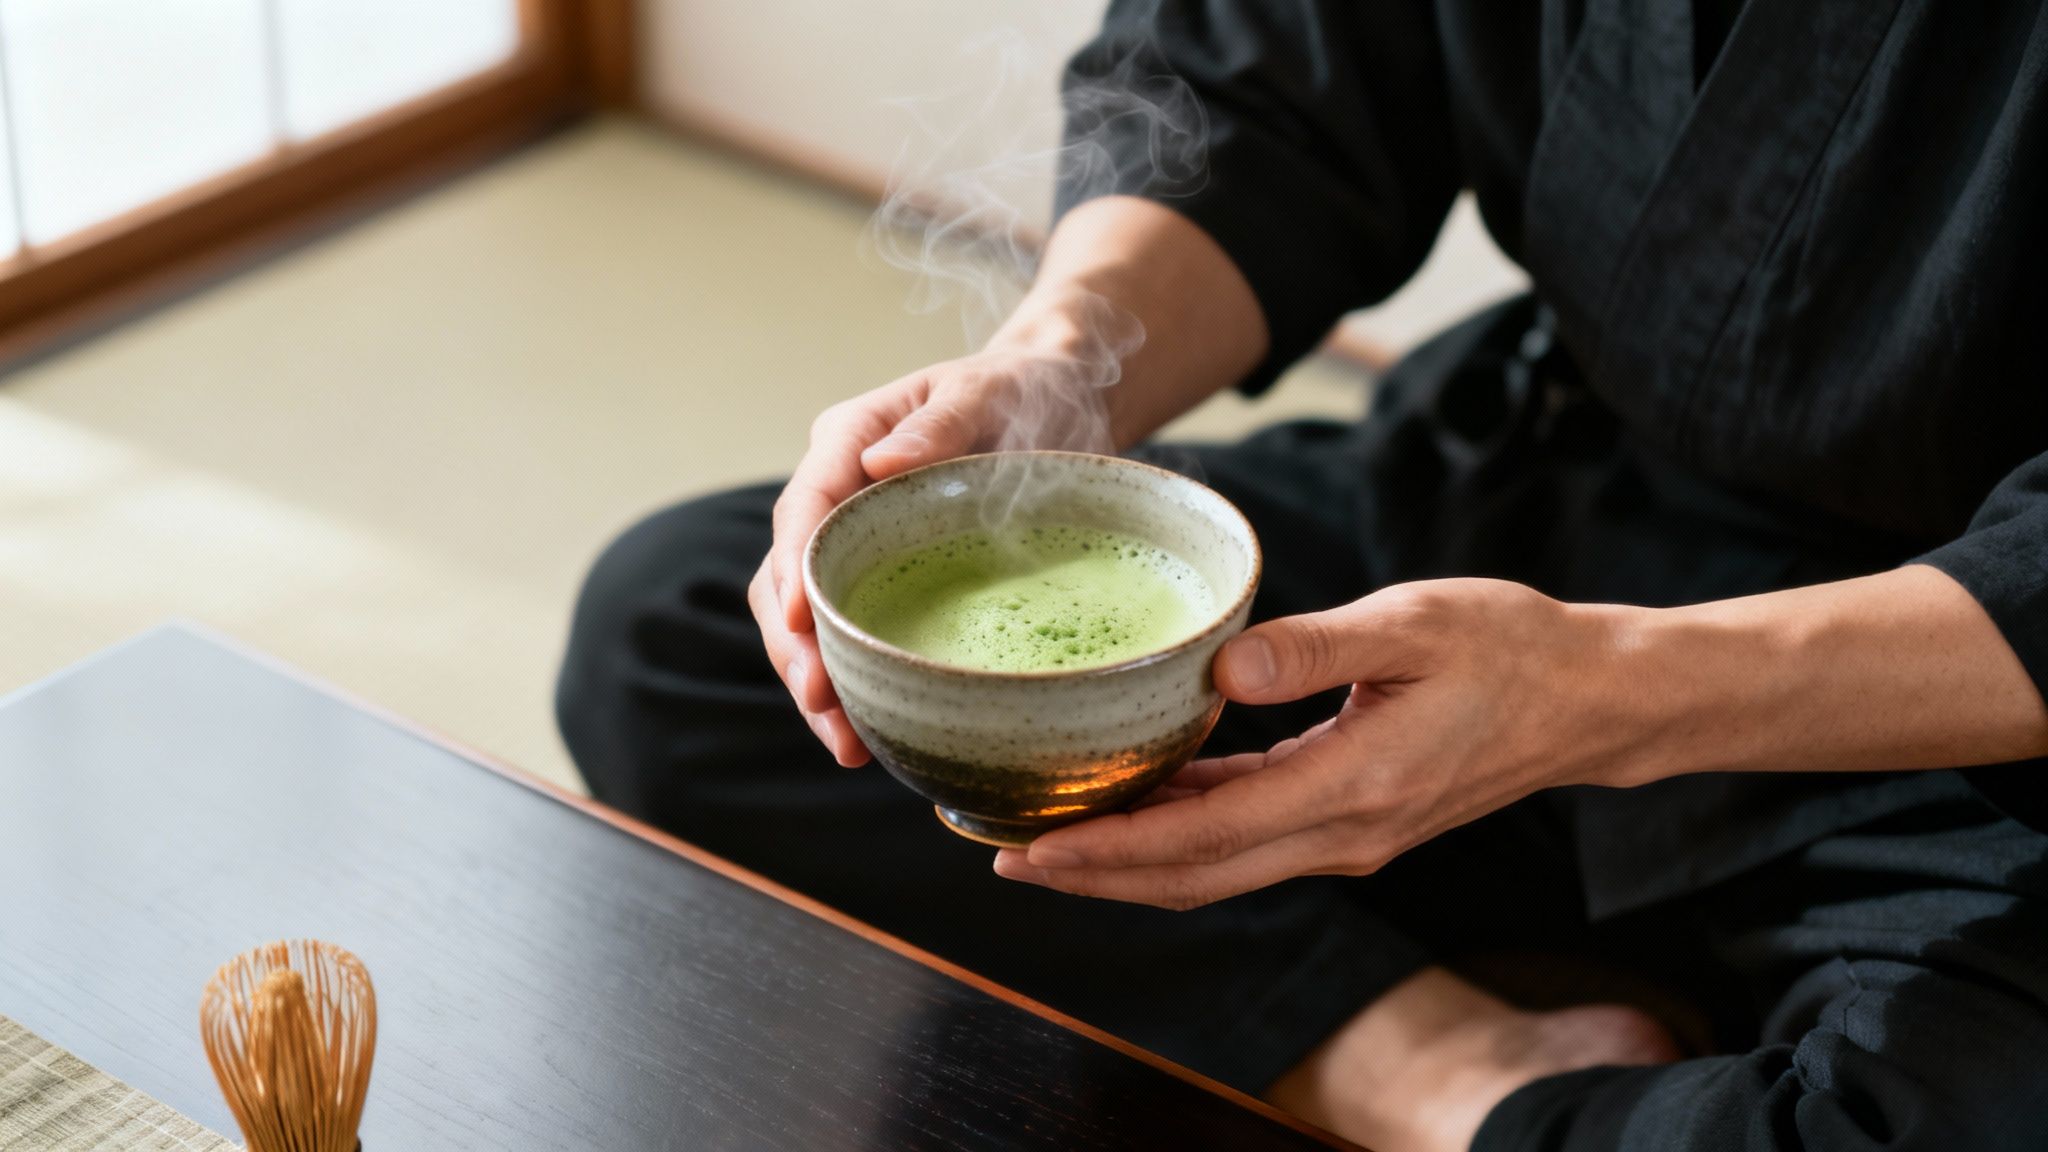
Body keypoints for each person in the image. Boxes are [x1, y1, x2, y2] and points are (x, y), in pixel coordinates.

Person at [556, 2, 2048, 1148]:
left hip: (1952, 692)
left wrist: (1618, 693)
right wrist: (1056, 364)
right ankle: (1423, 1063)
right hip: (1531, 507)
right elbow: (1267, 78)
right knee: (678, 624)